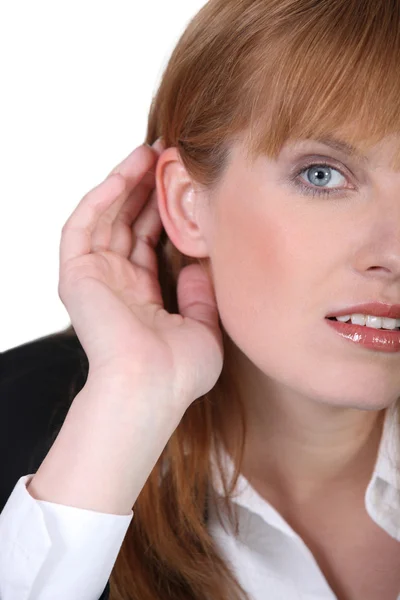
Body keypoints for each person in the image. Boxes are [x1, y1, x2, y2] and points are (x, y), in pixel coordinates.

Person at [1, 0, 400, 598]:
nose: (393, 253)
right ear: (189, 204)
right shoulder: (15, 418)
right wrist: (130, 400)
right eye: (323, 174)